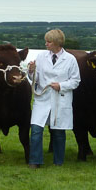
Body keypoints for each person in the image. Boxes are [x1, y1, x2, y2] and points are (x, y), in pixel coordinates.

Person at [27, 29, 81, 168]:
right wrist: (31, 71)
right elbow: (35, 79)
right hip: (42, 99)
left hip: (60, 99)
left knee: (58, 132)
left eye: (49, 42)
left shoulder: (70, 59)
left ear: (57, 43)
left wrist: (61, 85)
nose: (46, 44)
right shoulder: (41, 56)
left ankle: (58, 162)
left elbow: (76, 81)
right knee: (36, 130)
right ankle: (35, 161)